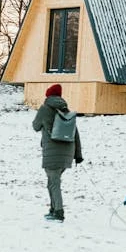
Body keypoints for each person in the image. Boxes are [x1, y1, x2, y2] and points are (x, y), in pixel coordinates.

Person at [32, 83, 83, 222]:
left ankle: (58, 213)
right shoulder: (66, 111)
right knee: (52, 182)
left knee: (54, 184)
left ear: (48, 95)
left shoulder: (45, 109)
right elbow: (76, 134)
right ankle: (53, 210)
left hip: (52, 153)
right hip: (67, 154)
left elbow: (35, 126)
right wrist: (78, 155)